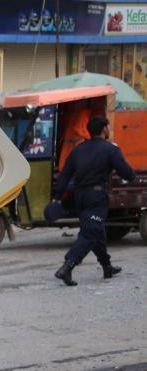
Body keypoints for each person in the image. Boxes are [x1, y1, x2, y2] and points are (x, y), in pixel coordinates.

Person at [53, 115, 135, 286]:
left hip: (79, 197)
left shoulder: (78, 150)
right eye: (108, 127)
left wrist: (57, 197)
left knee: (97, 232)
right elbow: (127, 174)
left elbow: (65, 174)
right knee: (90, 233)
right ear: (104, 129)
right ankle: (67, 267)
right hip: (96, 197)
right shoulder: (110, 149)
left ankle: (107, 266)